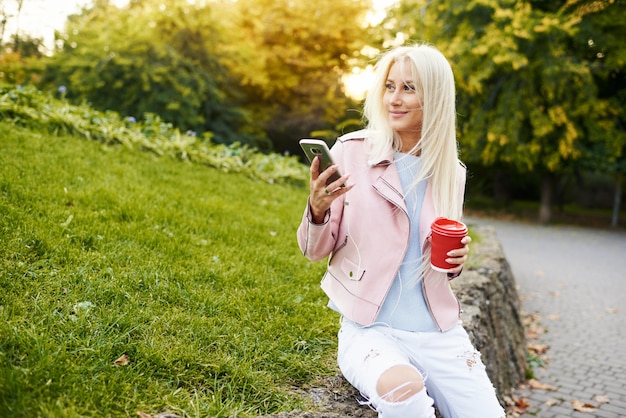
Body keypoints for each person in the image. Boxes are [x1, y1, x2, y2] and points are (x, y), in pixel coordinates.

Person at [296, 43, 505, 418]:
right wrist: (317, 209)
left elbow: (439, 259)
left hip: (439, 334)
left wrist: (456, 262)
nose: (394, 98)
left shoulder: (451, 173)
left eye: (409, 88)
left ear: (436, 97)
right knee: (405, 398)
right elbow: (314, 251)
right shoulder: (350, 152)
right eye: (389, 86)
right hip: (369, 330)